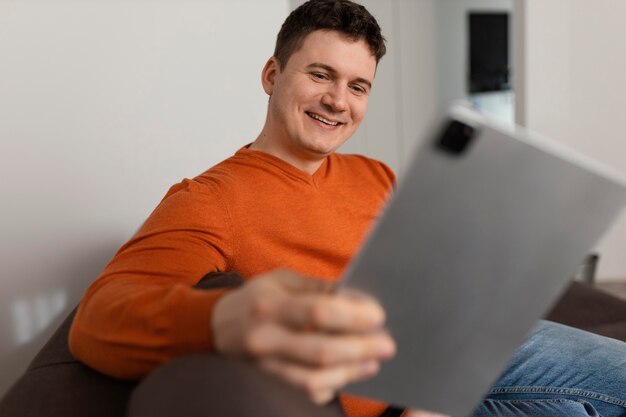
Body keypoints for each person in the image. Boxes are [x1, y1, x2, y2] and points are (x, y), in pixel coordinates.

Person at [68, 1, 626, 417]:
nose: (339, 100)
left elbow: (434, 281)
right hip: (394, 386)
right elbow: (98, 318)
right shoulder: (212, 198)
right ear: (272, 75)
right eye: (320, 75)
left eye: (358, 85)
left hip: (456, 368)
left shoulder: (374, 174)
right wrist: (221, 321)